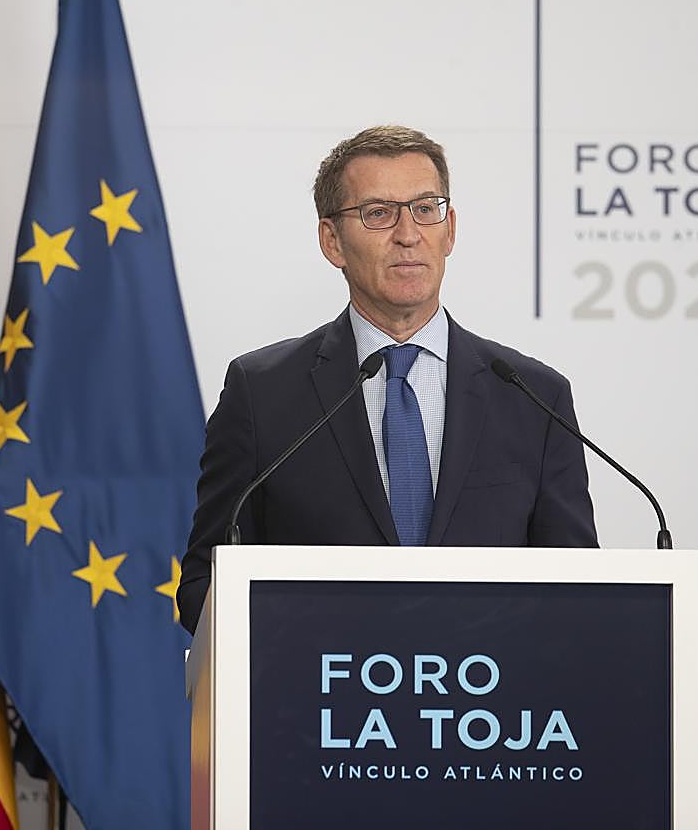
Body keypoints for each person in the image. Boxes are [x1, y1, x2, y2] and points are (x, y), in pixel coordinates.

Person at [177, 125, 597, 635]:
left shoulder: (533, 396)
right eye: (378, 213)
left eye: (426, 208)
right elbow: (205, 583)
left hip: (490, 701)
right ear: (332, 241)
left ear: (451, 230)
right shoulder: (262, 393)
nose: (408, 233)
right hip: (323, 699)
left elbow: (582, 587)